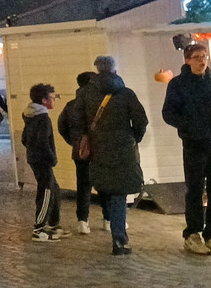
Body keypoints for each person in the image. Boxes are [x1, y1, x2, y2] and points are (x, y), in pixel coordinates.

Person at [162, 41, 211, 256]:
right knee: (195, 190)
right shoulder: (178, 85)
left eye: (204, 56)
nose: (202, 61)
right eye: (197, 57)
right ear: (187, 61)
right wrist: (189, 127)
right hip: (194, 146)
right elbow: (169, 113)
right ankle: (193, 233)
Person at [83, 55, 148, 256]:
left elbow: (73, 120)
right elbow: (141, 120)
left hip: (97, 149)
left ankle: (102, 223)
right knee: (119, 193)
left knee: (104, 188)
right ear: (115, 71)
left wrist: (83, 140)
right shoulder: (126, 94)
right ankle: (119, 239)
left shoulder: (86, 94)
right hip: (122, 150)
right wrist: (132, 138)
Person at [58, 71, 107, 234]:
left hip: (80, 150)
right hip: (100, 149)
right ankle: (108, 219)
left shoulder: (71, 105)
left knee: (83, 185)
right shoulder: (101, 105)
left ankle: (82, 221)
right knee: (104, 184)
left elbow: (61, 125)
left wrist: (75, 142)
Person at [22, 83, 61, 241]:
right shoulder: (43, 118)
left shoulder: (30, 115)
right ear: (44, 100)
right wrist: (51, 158)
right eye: (52, 98)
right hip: (42, 160)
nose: (53, 101)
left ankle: (53, 223)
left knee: (54, 188)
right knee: (46, 191)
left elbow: (24, 138)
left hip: (35, 158)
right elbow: (43, 142)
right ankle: (39, 229)